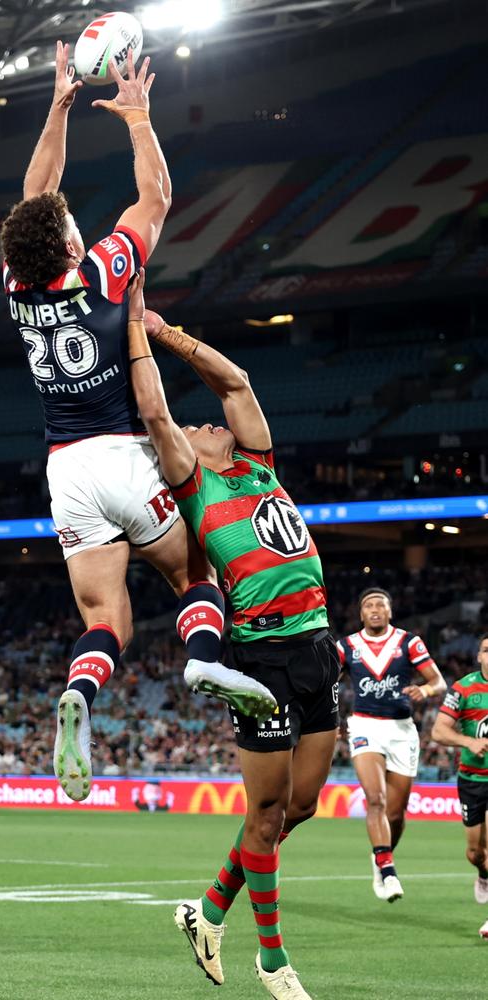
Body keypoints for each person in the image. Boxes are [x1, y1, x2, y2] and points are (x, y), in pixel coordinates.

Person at [0, 44, 274, 802]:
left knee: (106, 616)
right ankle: (206, 656)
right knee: (195, 571)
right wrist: (139, 120)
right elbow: (154, 197)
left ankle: (80, 699)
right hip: (125, 452)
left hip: (65, 471)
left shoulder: (18, 289)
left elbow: (35, 197)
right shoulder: (102, 269)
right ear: (67, 245)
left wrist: (57, 107)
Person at [126, 271, 339, 999]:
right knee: (267, 812)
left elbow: (238, 382)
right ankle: (273, 961)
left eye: (210, 422)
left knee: (302, 806)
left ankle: (208, 910)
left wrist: (170, 332)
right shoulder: (197, 483)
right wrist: (132, 333)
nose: (209, 421)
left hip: (318, 644)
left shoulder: (256, 462)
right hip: (260, 657)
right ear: (185, 451)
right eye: (199, 425)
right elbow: (157, 414)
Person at [337, 588, 446, 902]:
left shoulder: (408, 642)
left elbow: (438, 681)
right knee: (376, 800)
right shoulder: (347, 646)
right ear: (361, 614)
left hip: (401, 731)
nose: (374, 609)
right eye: (368, 605)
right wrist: (329, 721)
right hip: (364, 726)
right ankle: (387, 868)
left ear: (389, 612)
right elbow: (324, 682)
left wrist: (425, 692)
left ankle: (380, 855)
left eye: (380, 605)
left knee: (396, 815)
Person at [431, 633, 488, 940]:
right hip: (472, 779)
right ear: (478, 656)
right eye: (486, 650)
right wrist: (469, 741)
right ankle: (482, 874)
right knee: (475, 852)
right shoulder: (464, 688)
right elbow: (439, 731)